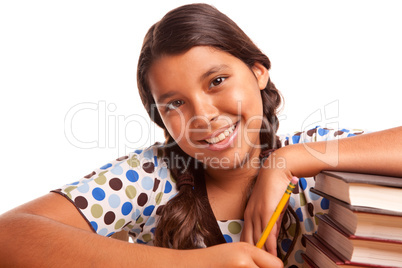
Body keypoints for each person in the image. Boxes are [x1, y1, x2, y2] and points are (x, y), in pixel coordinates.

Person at [0, 3, 401, 267]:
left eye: (217, 81)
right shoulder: (153, 177)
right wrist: (195, 265)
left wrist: (284, 162)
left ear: (259, 71)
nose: (203, 116)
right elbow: (11, 234)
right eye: (174, 104)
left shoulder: (317, 152)